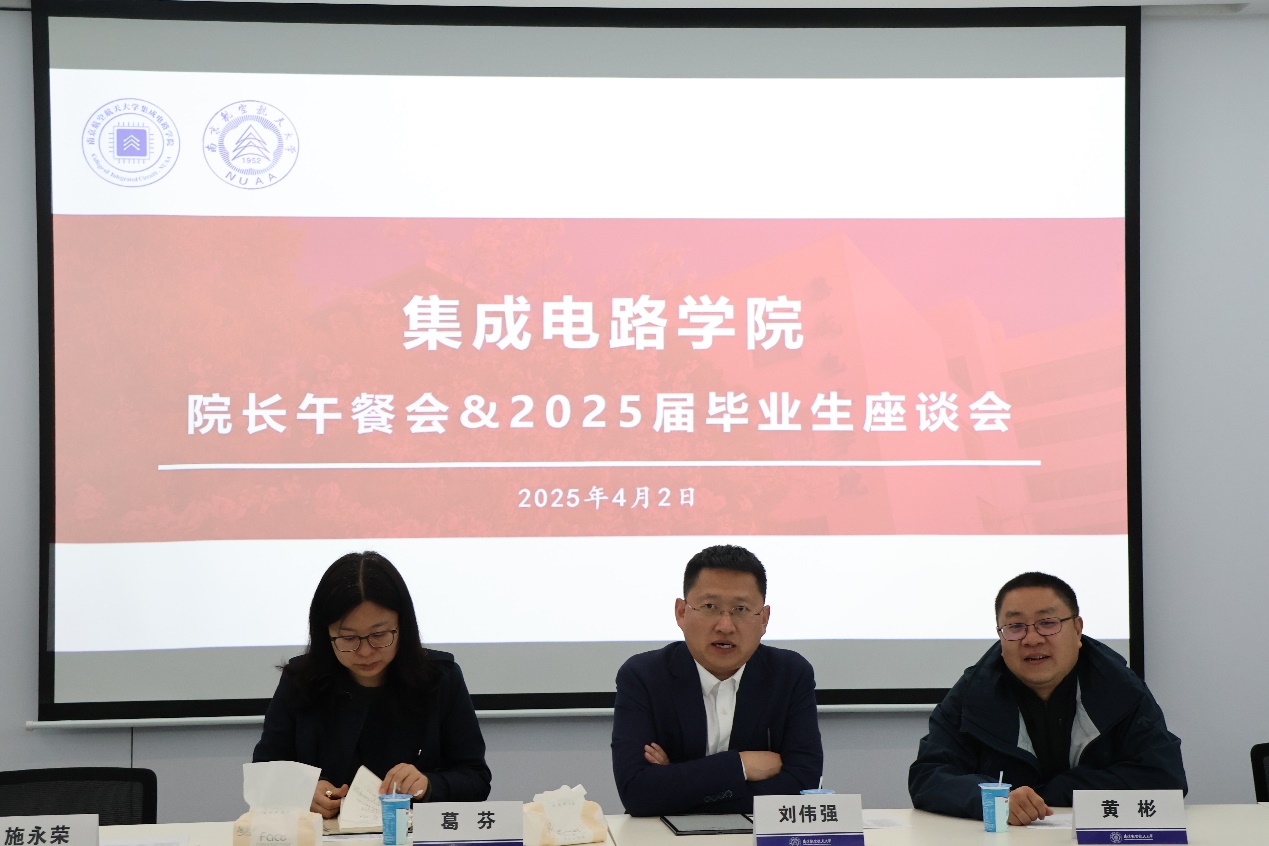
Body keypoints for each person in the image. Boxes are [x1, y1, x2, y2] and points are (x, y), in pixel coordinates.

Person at [908, 571, 1186, 825]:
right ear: (1001, 635)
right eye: (1015, 627)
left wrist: (1051, 793)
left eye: (1047, 623)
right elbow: (929, 776)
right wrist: (996, 801)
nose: (1032, 639)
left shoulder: (1119, 687)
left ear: (1077, 629)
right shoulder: (974, 692)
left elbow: (1165, 778)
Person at [253, 551, 492, 817]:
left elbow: (476, 779)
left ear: (402, 626)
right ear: (325, 633)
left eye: (379, 634)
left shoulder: (440, 679)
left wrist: (428, 786)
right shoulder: (300, 681)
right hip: (325, 833)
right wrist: (300, 791)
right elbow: (264, 775)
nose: (366, 652)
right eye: (348, 638)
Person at [611, 544, 823, 816]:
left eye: (741, 609)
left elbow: (802, 786)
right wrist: (741, 765)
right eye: (709, 607)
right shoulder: (644, 676)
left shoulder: (790, 675)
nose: (725, 626)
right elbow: (638, 793)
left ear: (764, 619)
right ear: (681, 612)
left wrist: (677, 783)